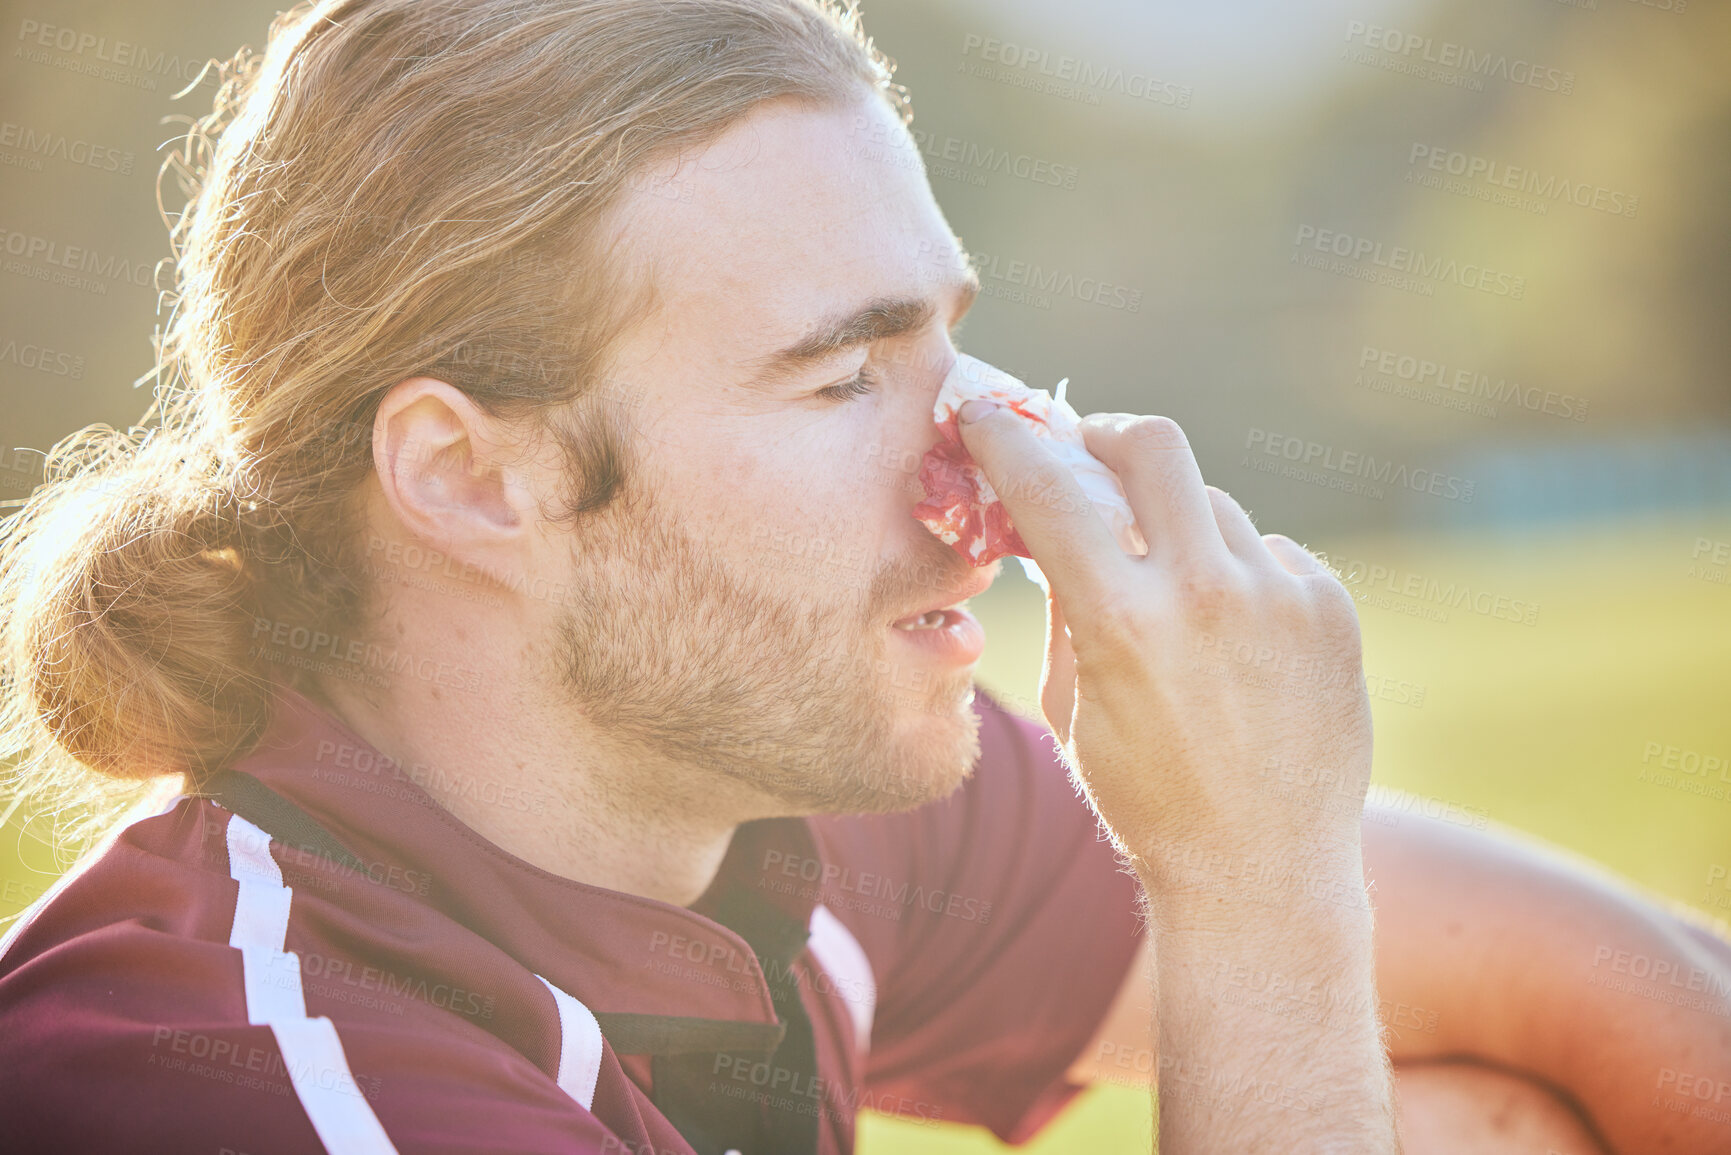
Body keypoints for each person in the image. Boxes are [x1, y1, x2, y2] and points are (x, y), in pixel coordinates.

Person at [0, 1, 1725, 1151]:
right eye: (845, 375)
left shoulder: (777, 774)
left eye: (949, 348)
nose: (990, 470)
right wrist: (1256, 891)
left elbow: (1638, 985)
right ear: (473, 479)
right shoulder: (259, 1095)